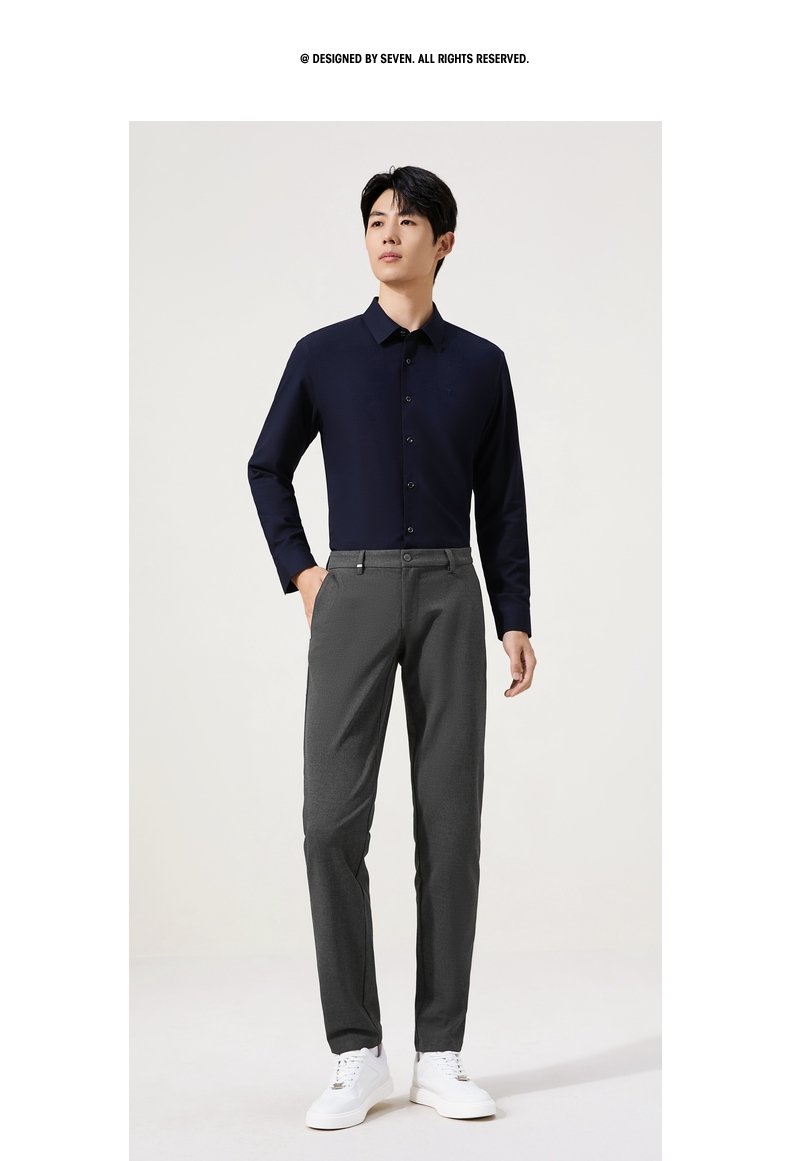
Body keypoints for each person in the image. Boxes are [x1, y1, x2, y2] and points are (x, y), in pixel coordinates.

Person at [247, 165, 536, 1130]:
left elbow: (503, 500)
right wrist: (303, 572)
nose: (388, 233)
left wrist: (513, 613)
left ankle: (440, 1053)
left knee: (450, 826)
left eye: (408, 221)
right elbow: (266, 464)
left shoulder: (481, 365)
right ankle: (357, 1052)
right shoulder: (323, 355)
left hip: (454, 591)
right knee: (330, 822)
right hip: (353, 591)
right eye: (376, 219)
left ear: (443, 243)